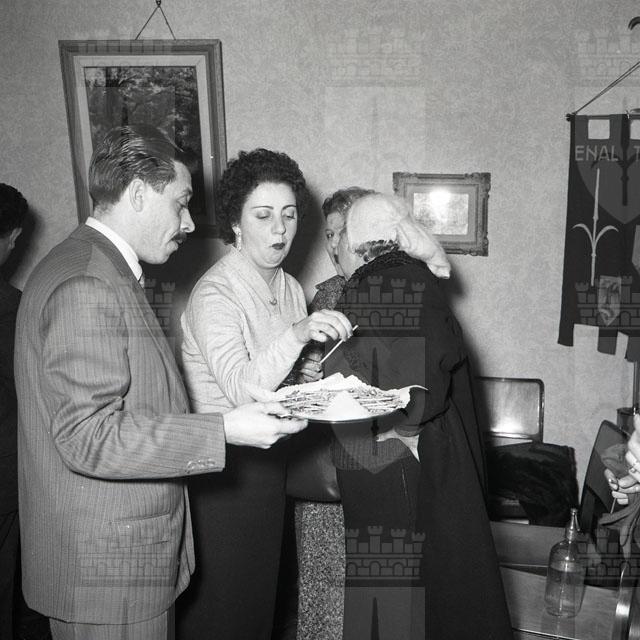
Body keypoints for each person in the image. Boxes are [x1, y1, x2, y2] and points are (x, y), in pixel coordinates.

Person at [15, 126, 307, 640]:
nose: (190, 222)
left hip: (116, 560)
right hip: (111, 570)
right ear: (137, 194)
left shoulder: (92, 266)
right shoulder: (88, 282)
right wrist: (223, 429)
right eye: (181, 203)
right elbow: (87, 437)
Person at [176, 148, 354, 639]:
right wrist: (297, 336)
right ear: (235, 222)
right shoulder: (215, 293)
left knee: (258, 610)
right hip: (223, 474)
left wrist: (311, 373)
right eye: (263, 215)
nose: (280, 229)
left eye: (289, 215)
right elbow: (241, 389)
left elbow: (284, 381)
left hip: (271, 469)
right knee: (224, 615)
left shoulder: (290, 286)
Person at [324, 192, 512, 639]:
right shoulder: (403, 276)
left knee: (392, 600)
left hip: (394, 472)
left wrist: (403, 427)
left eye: (340, 237)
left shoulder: (385, 280)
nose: (335, 248)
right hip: (394, 465)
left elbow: (424, 367)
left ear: (357, 244)